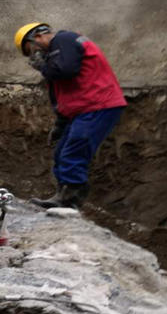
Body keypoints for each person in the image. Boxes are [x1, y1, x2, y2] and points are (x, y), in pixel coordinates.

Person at [14, 22, 126, 209]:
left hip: (98, 105)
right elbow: (60, 95)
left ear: (38, 36)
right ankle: (63, 195)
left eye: (32, 50)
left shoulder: (64, 40)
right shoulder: (57, 56)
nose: (34, 56)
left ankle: (71, 200)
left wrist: (44, 67)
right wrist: (61, 123)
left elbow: (67, 70)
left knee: (73, 151)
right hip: (84, 109)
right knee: (61, 153)